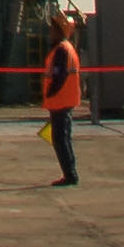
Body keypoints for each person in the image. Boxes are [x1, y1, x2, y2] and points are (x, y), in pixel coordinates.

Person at [41, 10, 82, 185]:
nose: (50, 32)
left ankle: (70, 175)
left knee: (60, 139)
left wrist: (50, 93)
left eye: (53, 28)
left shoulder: (61, 50)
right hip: (65, 99)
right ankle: (70, 173)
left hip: (60, 100)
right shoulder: (67, 48)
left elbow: (59, 75)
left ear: (60, 30)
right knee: (64, 138)